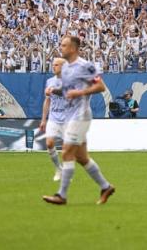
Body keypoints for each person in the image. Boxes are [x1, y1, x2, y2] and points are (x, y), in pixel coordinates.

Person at [42, 36, 115, 206]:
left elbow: (100, 87)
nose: (61, 47)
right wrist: (54, 90)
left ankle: (62, 195)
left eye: (64, 45)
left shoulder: (85, 66)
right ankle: (106, 187)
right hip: (70, 116)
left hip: (80, 115)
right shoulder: (66, 69)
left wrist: (80, 93)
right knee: (82, 158)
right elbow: (67, 91)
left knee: (66, 152)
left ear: (73, 48)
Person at [38, 57, 66, 182]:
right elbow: (47, 100)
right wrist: (44, 119)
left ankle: (65, 170)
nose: (53, 67)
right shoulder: (49, 81)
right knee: (49, 143)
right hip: (53, 118)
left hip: (68, 118)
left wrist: (53, 90)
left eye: (56, 65)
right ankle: (58, 168)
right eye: (53, 64)